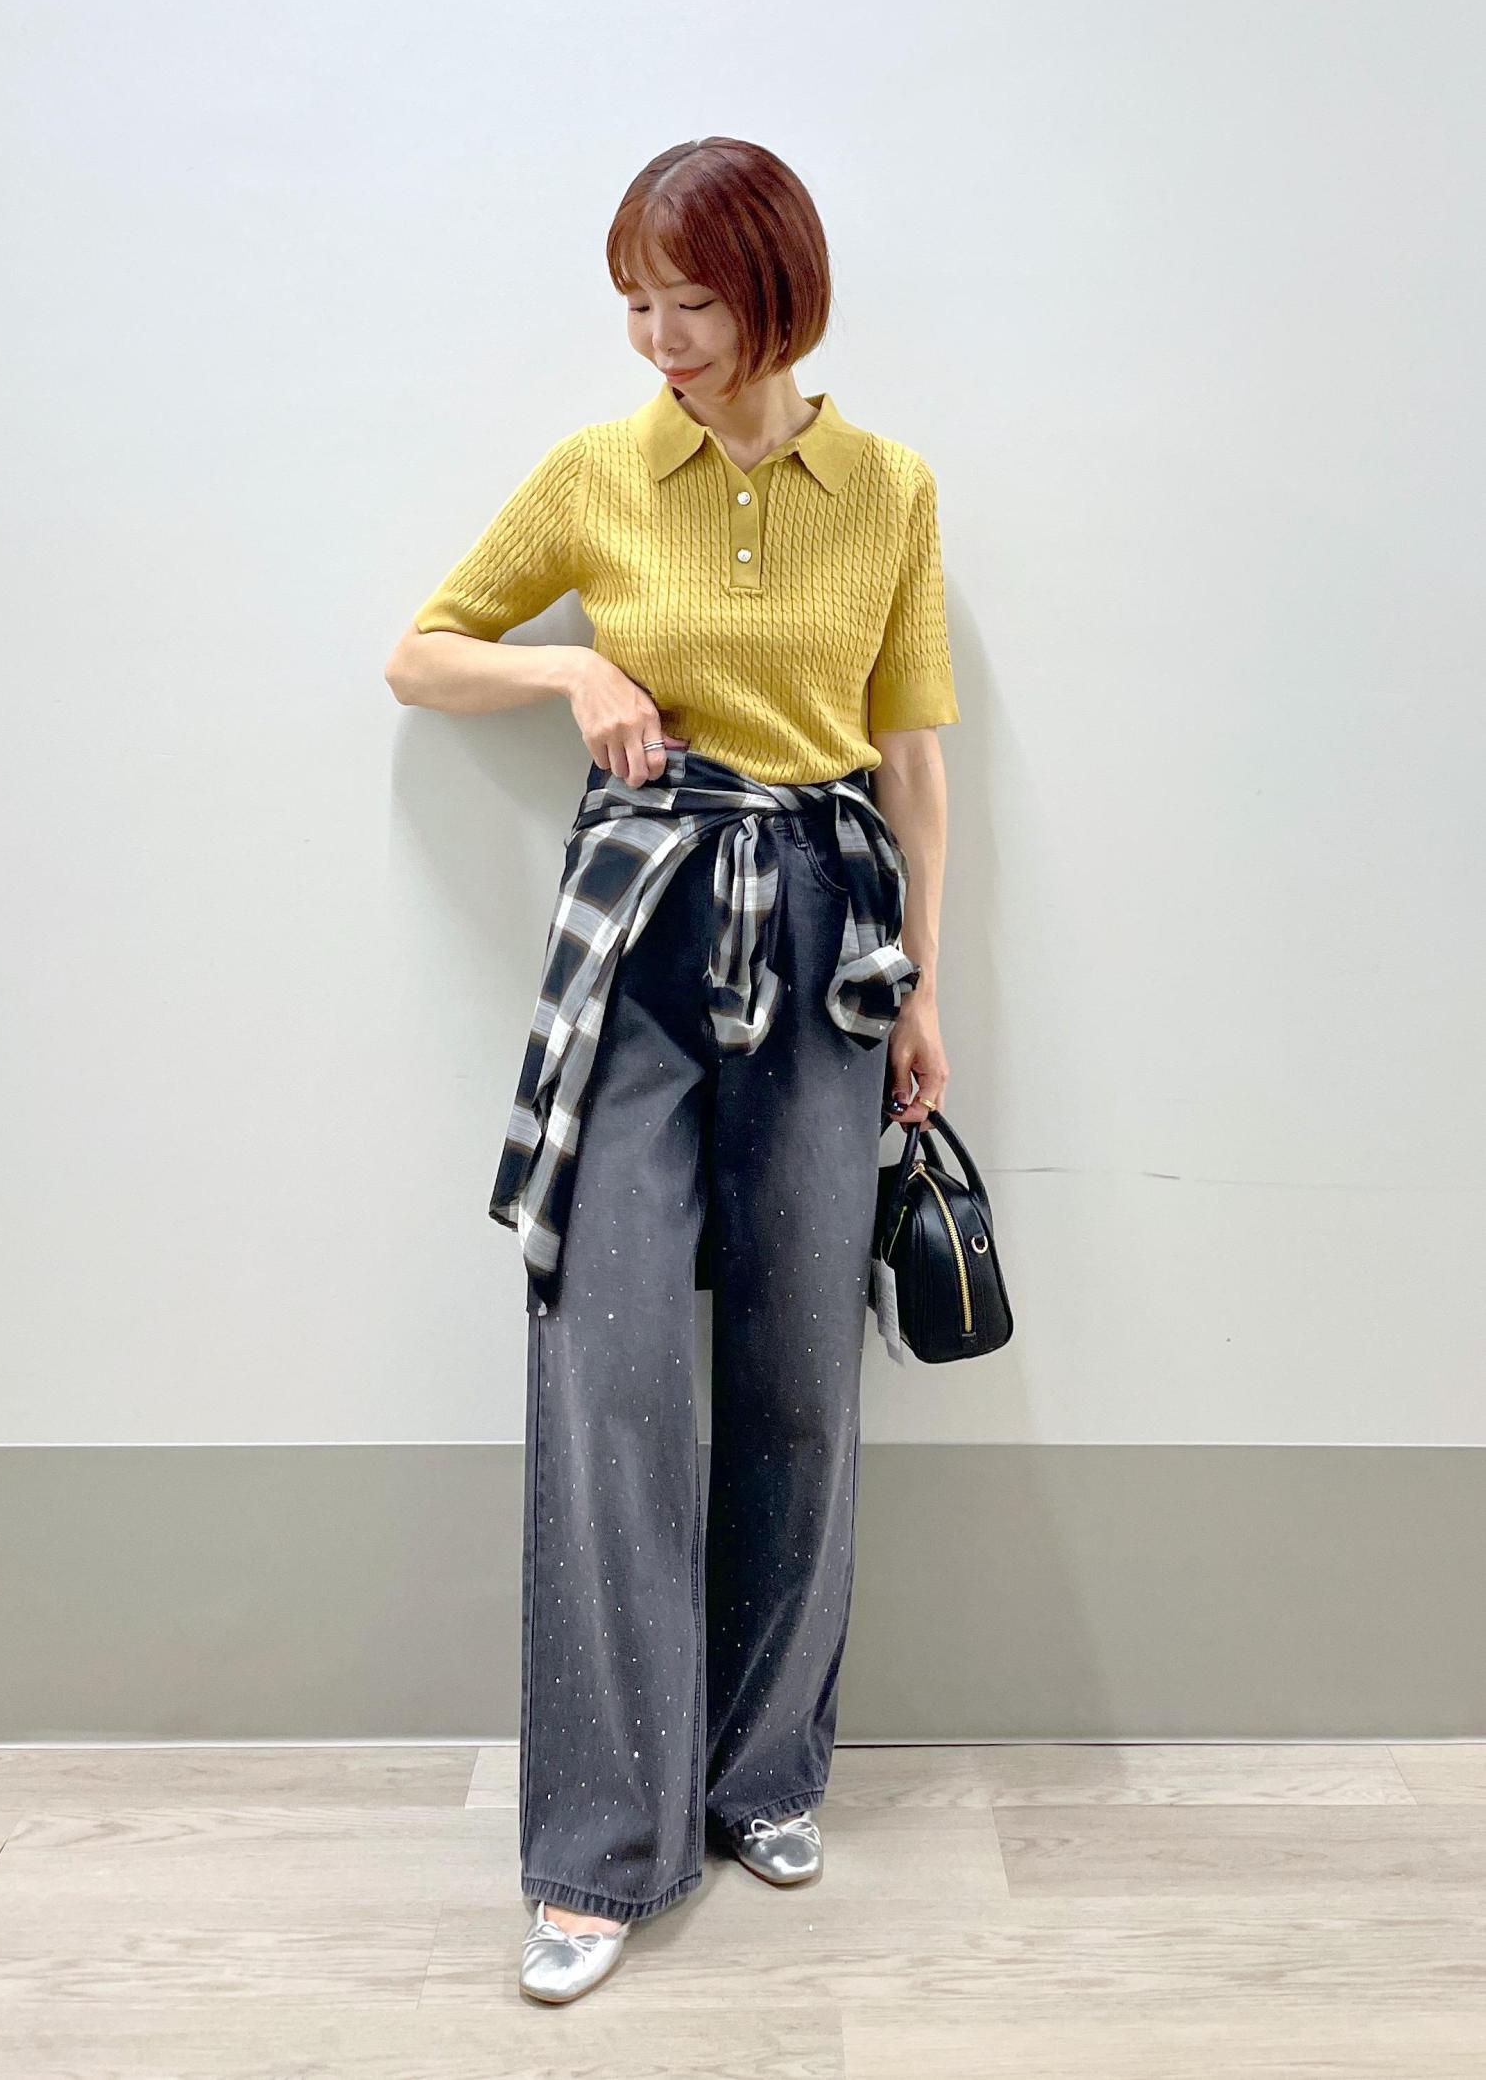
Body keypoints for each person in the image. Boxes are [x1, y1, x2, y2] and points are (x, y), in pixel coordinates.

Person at [385, 135, 958, 2005]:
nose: (659, 338)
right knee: (606, 1357)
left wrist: (926, 989)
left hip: (829, 933)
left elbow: (911, 757)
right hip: (639, 932)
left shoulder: (890, 488)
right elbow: (421, 651)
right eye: (635, 301)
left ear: (779, 294)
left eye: (693, 301)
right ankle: (598, 1848)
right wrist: (570, 676)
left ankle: (761, 1769)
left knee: (798, 1369)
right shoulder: (596, 472)